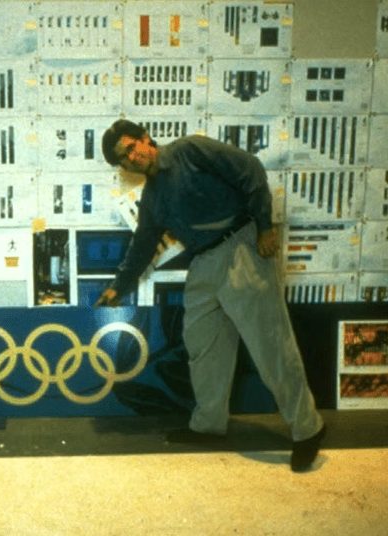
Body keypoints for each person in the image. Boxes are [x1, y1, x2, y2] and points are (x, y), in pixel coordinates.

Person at [95, 119, 326, 472]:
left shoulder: (190, 150)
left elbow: (249, 169)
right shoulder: (153, 198)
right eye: (122, 160)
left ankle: (308, 430)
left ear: (145, 139)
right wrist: (118, 286)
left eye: (130, 148)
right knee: (203, 345)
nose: (130, 159)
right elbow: (143, 244)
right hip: (203, 260)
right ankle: (209, 425)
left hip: (241, 246)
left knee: (271, 345)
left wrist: (264, 225)